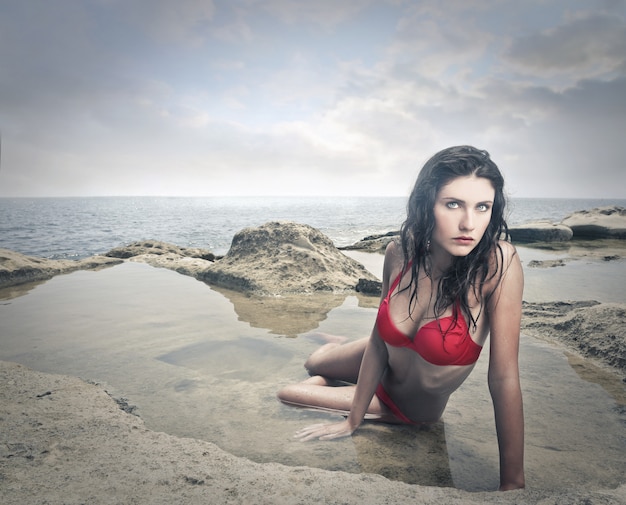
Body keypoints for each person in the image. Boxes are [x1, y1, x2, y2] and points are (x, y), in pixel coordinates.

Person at [277, 145, 525, 491]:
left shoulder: (498, 265)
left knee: (288, 392)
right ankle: (337, 351)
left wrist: (513, 484)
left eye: (482, 207)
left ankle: (334, 378)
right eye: (453, 204)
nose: (469, 223)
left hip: (404, 408)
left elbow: (503, 378)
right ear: (427, 203)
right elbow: (379, 339)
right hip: (381, 356)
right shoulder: (400, 251)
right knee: (312, 361)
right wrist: (352, 418)